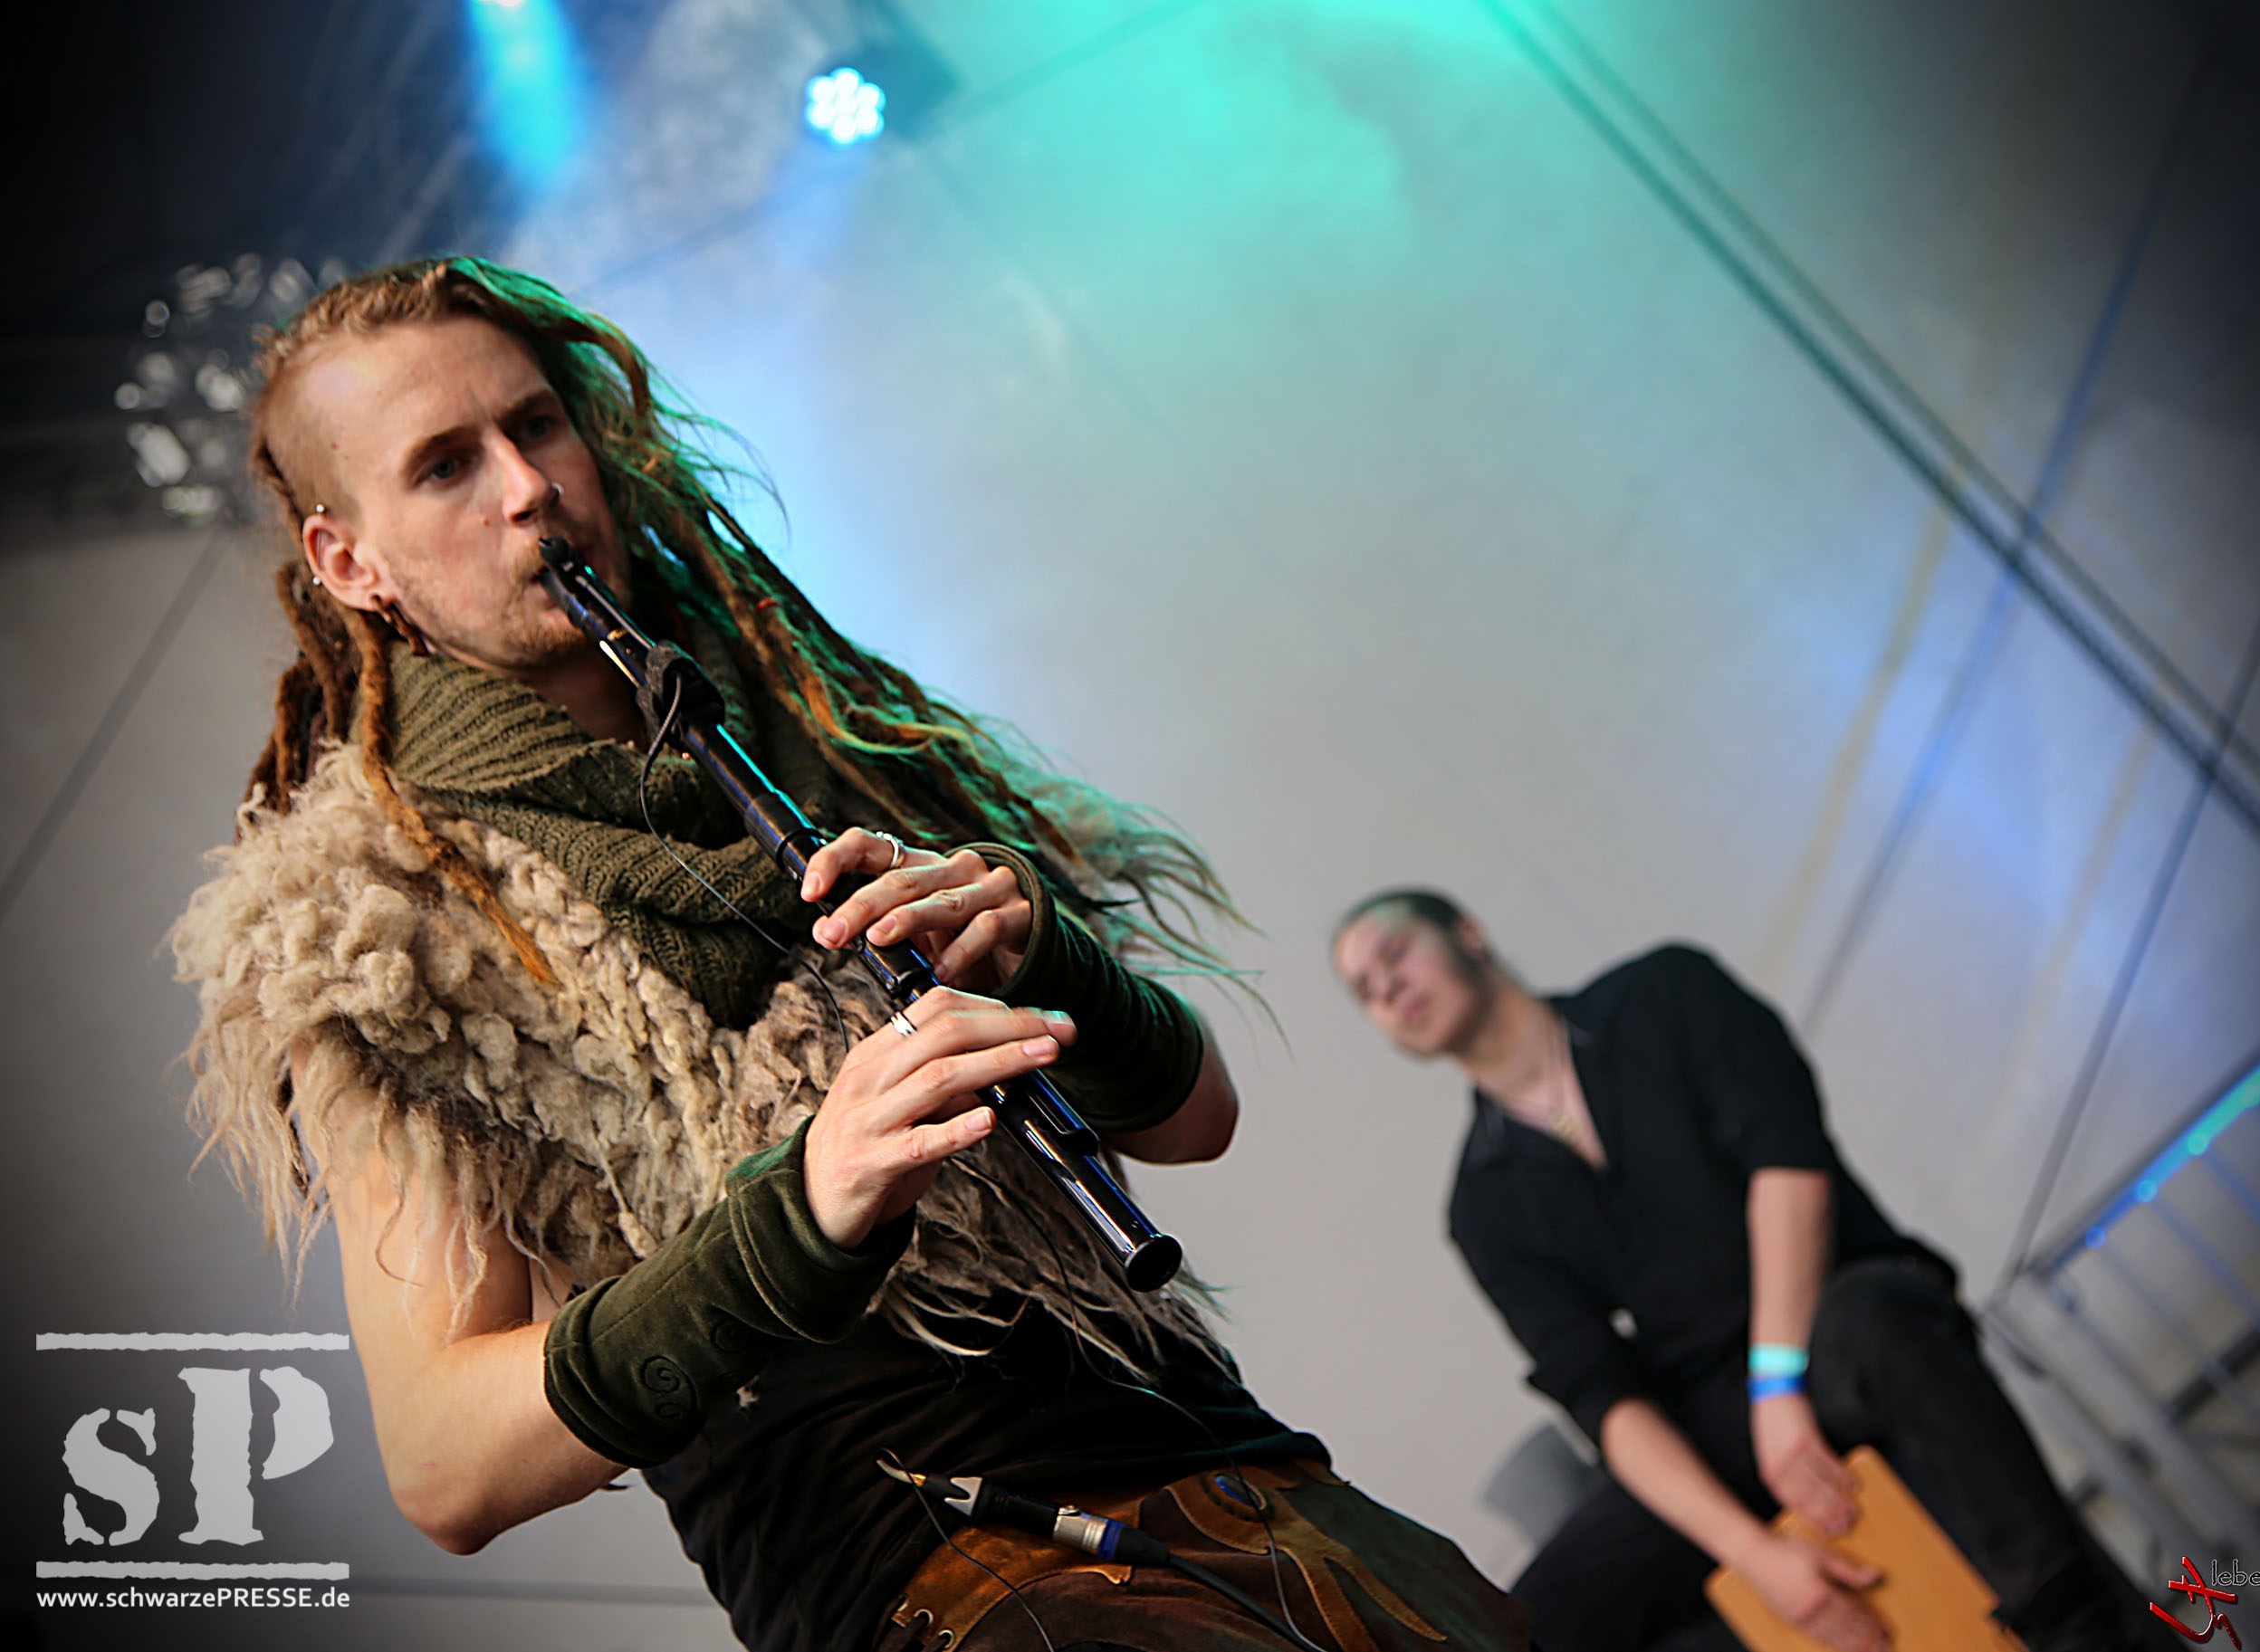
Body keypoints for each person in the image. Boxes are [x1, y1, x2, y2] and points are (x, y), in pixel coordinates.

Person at [169, 257, 1530, 1652]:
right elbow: (441, 1462)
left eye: (536, 425)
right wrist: (797, 1220)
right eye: (446, 466)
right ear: (352, 562)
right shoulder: (377, 921)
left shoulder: (823, 734)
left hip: (1237, 1486)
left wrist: (1047, 957)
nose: (527, 487)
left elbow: (1194, 1120)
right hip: (926, 1577)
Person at [1329, 891, 2159, 1652]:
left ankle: (2078, 1628)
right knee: (1535, 1622)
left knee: (1882, 1319)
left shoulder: (1666, 993)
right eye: (1365, 991)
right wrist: (1756, 1554)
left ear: (1469, 933)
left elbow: (1789, 1164)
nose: (1388, 989)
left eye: (1395, 953)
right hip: (1711, 1414)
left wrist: (1777, 1382)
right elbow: (1601, 1393)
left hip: (1831, 1319)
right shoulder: (1482, 1204)